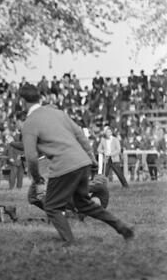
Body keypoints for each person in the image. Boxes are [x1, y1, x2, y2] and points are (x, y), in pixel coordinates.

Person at [19, 84, 134, 243]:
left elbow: (31, 157)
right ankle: (122, 227)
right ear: (40, 98)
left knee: (52, 207)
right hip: (82, 162)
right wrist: (91, 159)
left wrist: (37, 177)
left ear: (22, 101)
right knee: (84, 204)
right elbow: (80, 134)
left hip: (63, 166)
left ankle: (69, 241)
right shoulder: (57, 113)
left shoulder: (29, 123)